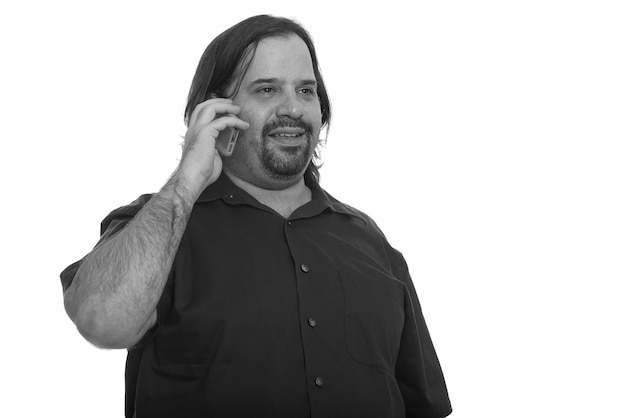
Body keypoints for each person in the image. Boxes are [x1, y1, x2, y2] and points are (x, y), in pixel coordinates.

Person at [60, 14, 452, 418]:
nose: (293, 108)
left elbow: (423, 407)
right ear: (216, 111)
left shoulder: (370, 242)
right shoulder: (159, 225)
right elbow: (102, 321)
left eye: (306, 90)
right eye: (267, 89)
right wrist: (185, 181)